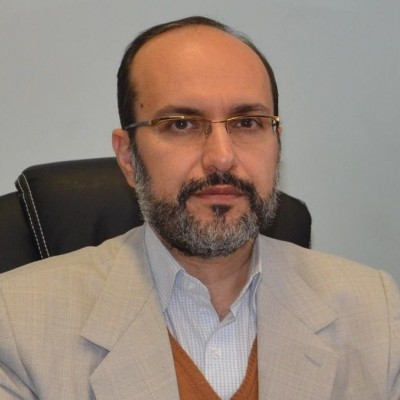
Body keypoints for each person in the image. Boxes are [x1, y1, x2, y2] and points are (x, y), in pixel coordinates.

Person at [0, 15, 399, 400]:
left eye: (247, 123)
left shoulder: (376, 312)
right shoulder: (17, 323)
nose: (222, 158)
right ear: (128, 158)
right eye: (181, 124)